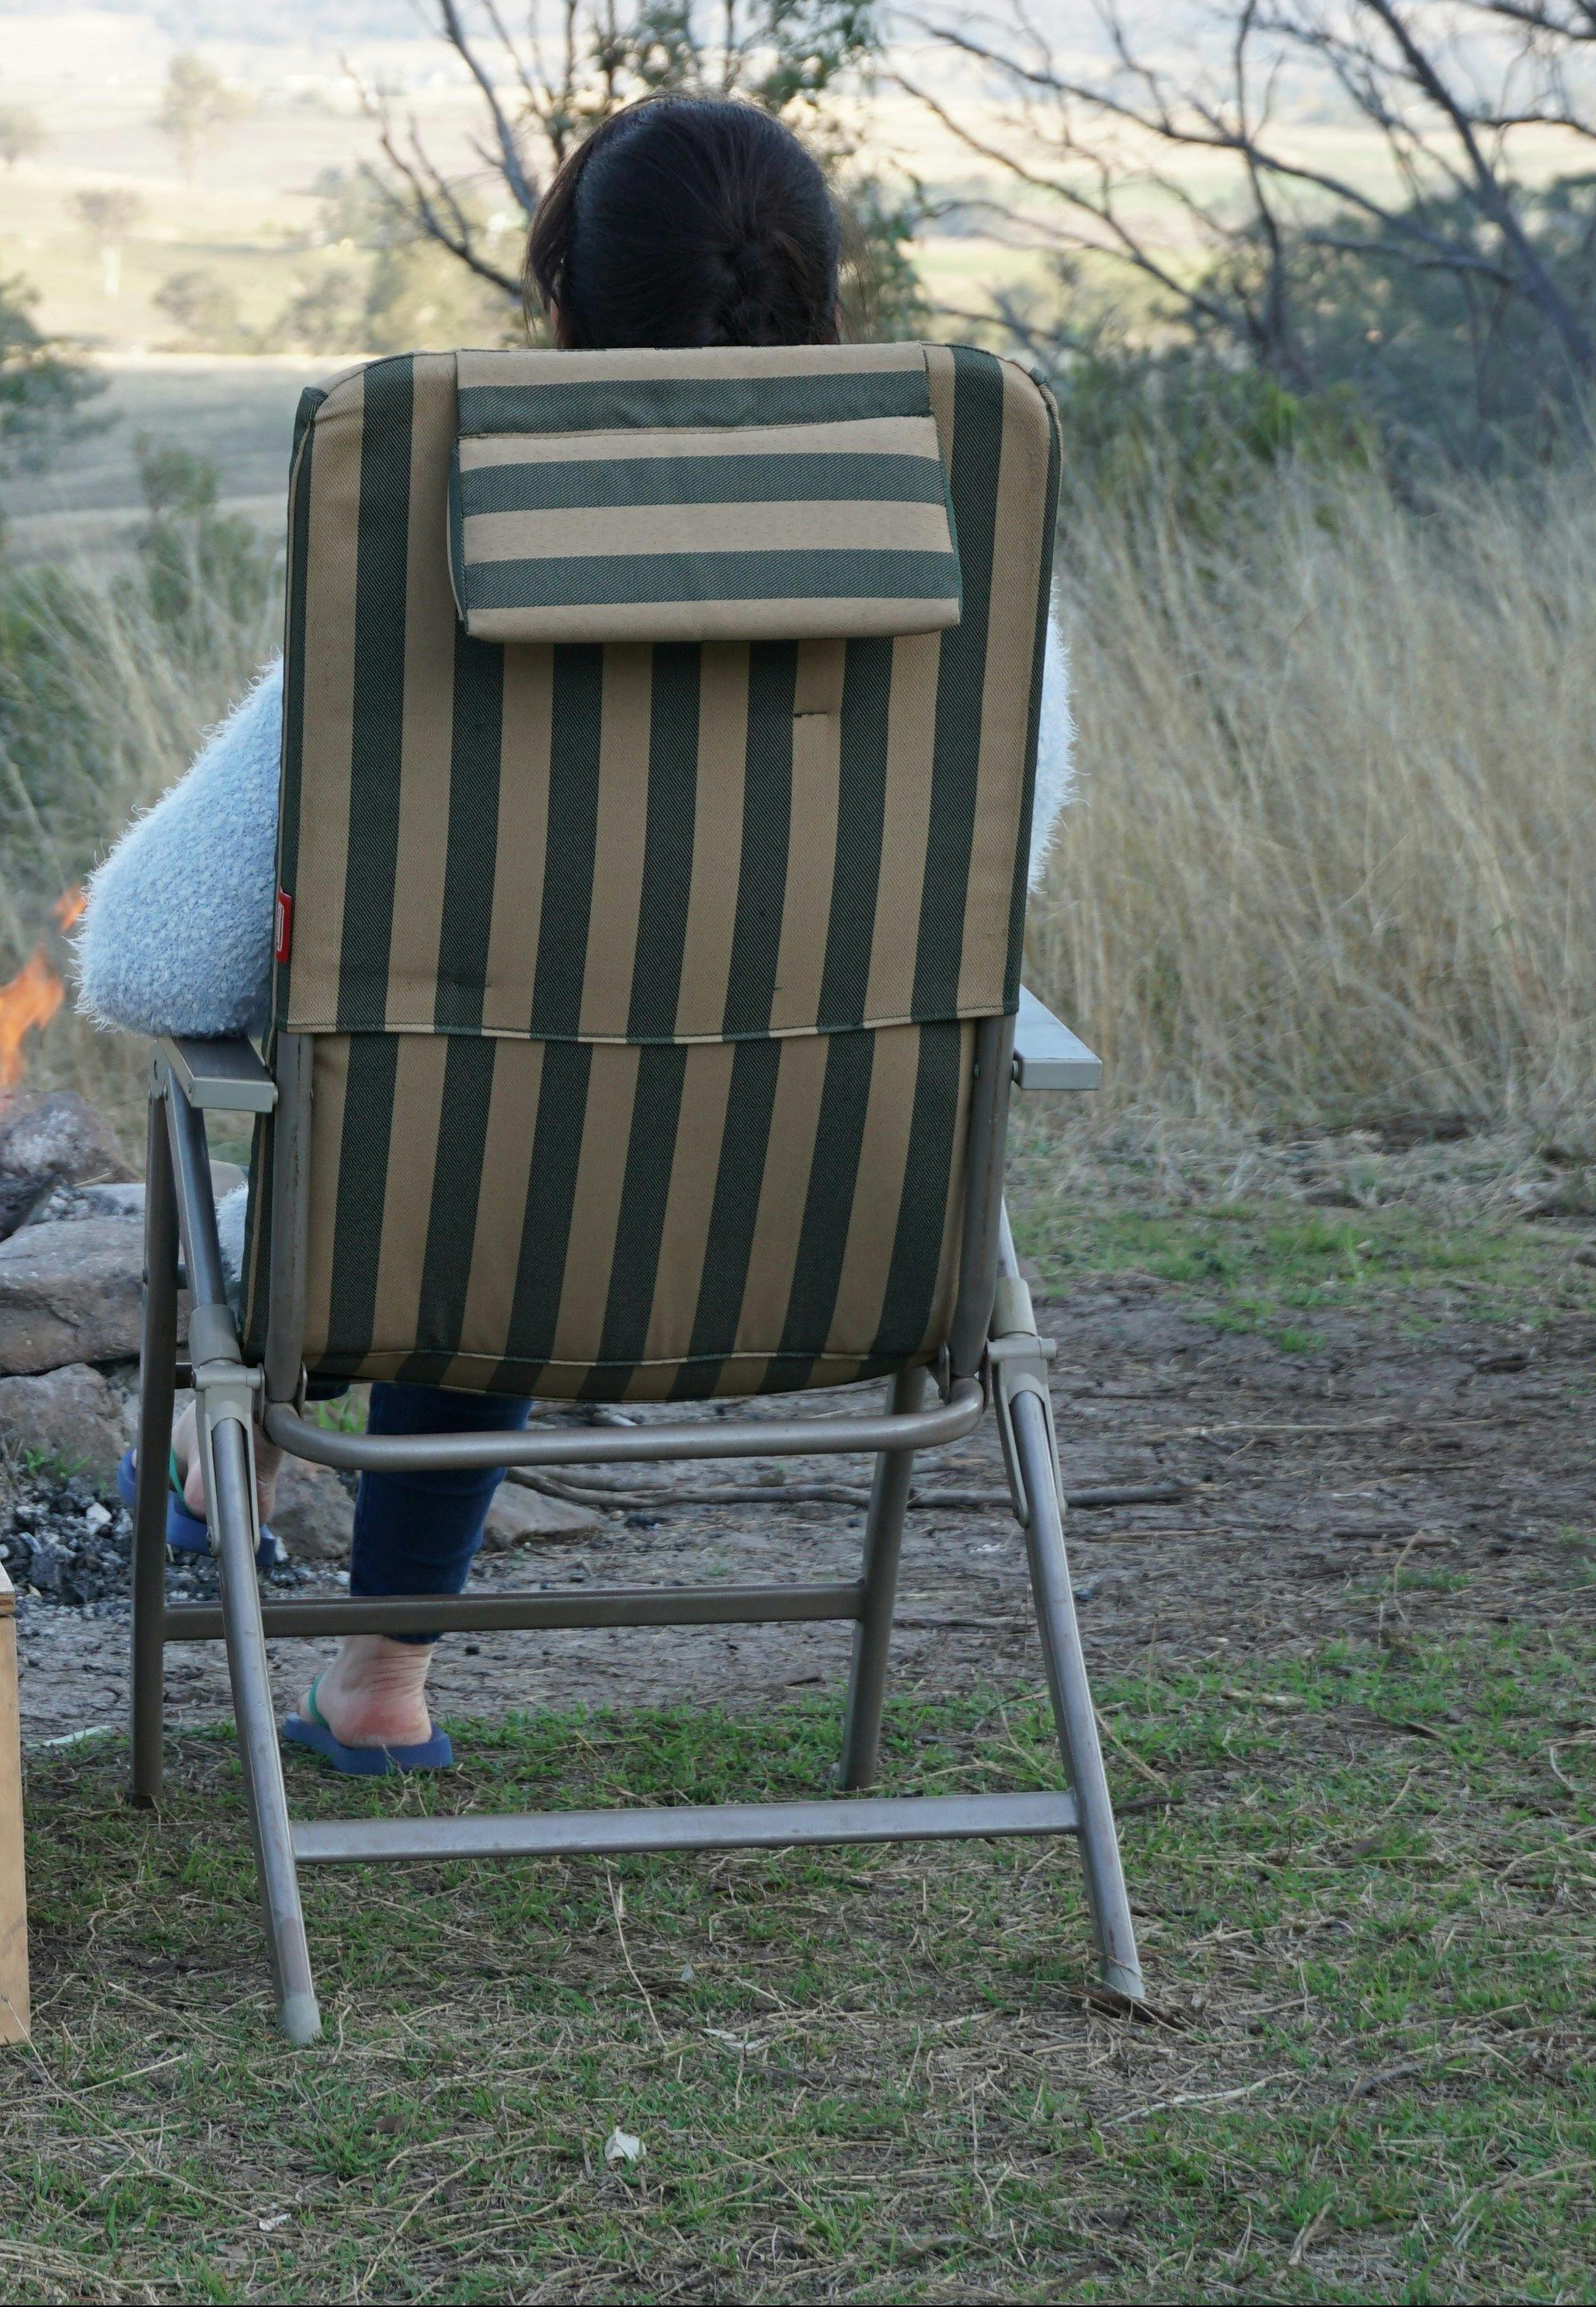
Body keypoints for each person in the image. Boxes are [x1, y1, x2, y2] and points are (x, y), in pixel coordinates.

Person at [70, 92, 1073, 1773]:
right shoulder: (966, 584)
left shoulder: (407, 590)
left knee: (463, 1140)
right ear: (825, 294)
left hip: (469, 1228)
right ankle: (370, 1667)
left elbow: (147, 964)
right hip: (849, 1228)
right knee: (512, 1132)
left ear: (562, 309)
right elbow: (986, 903)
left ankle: (273, 1536)